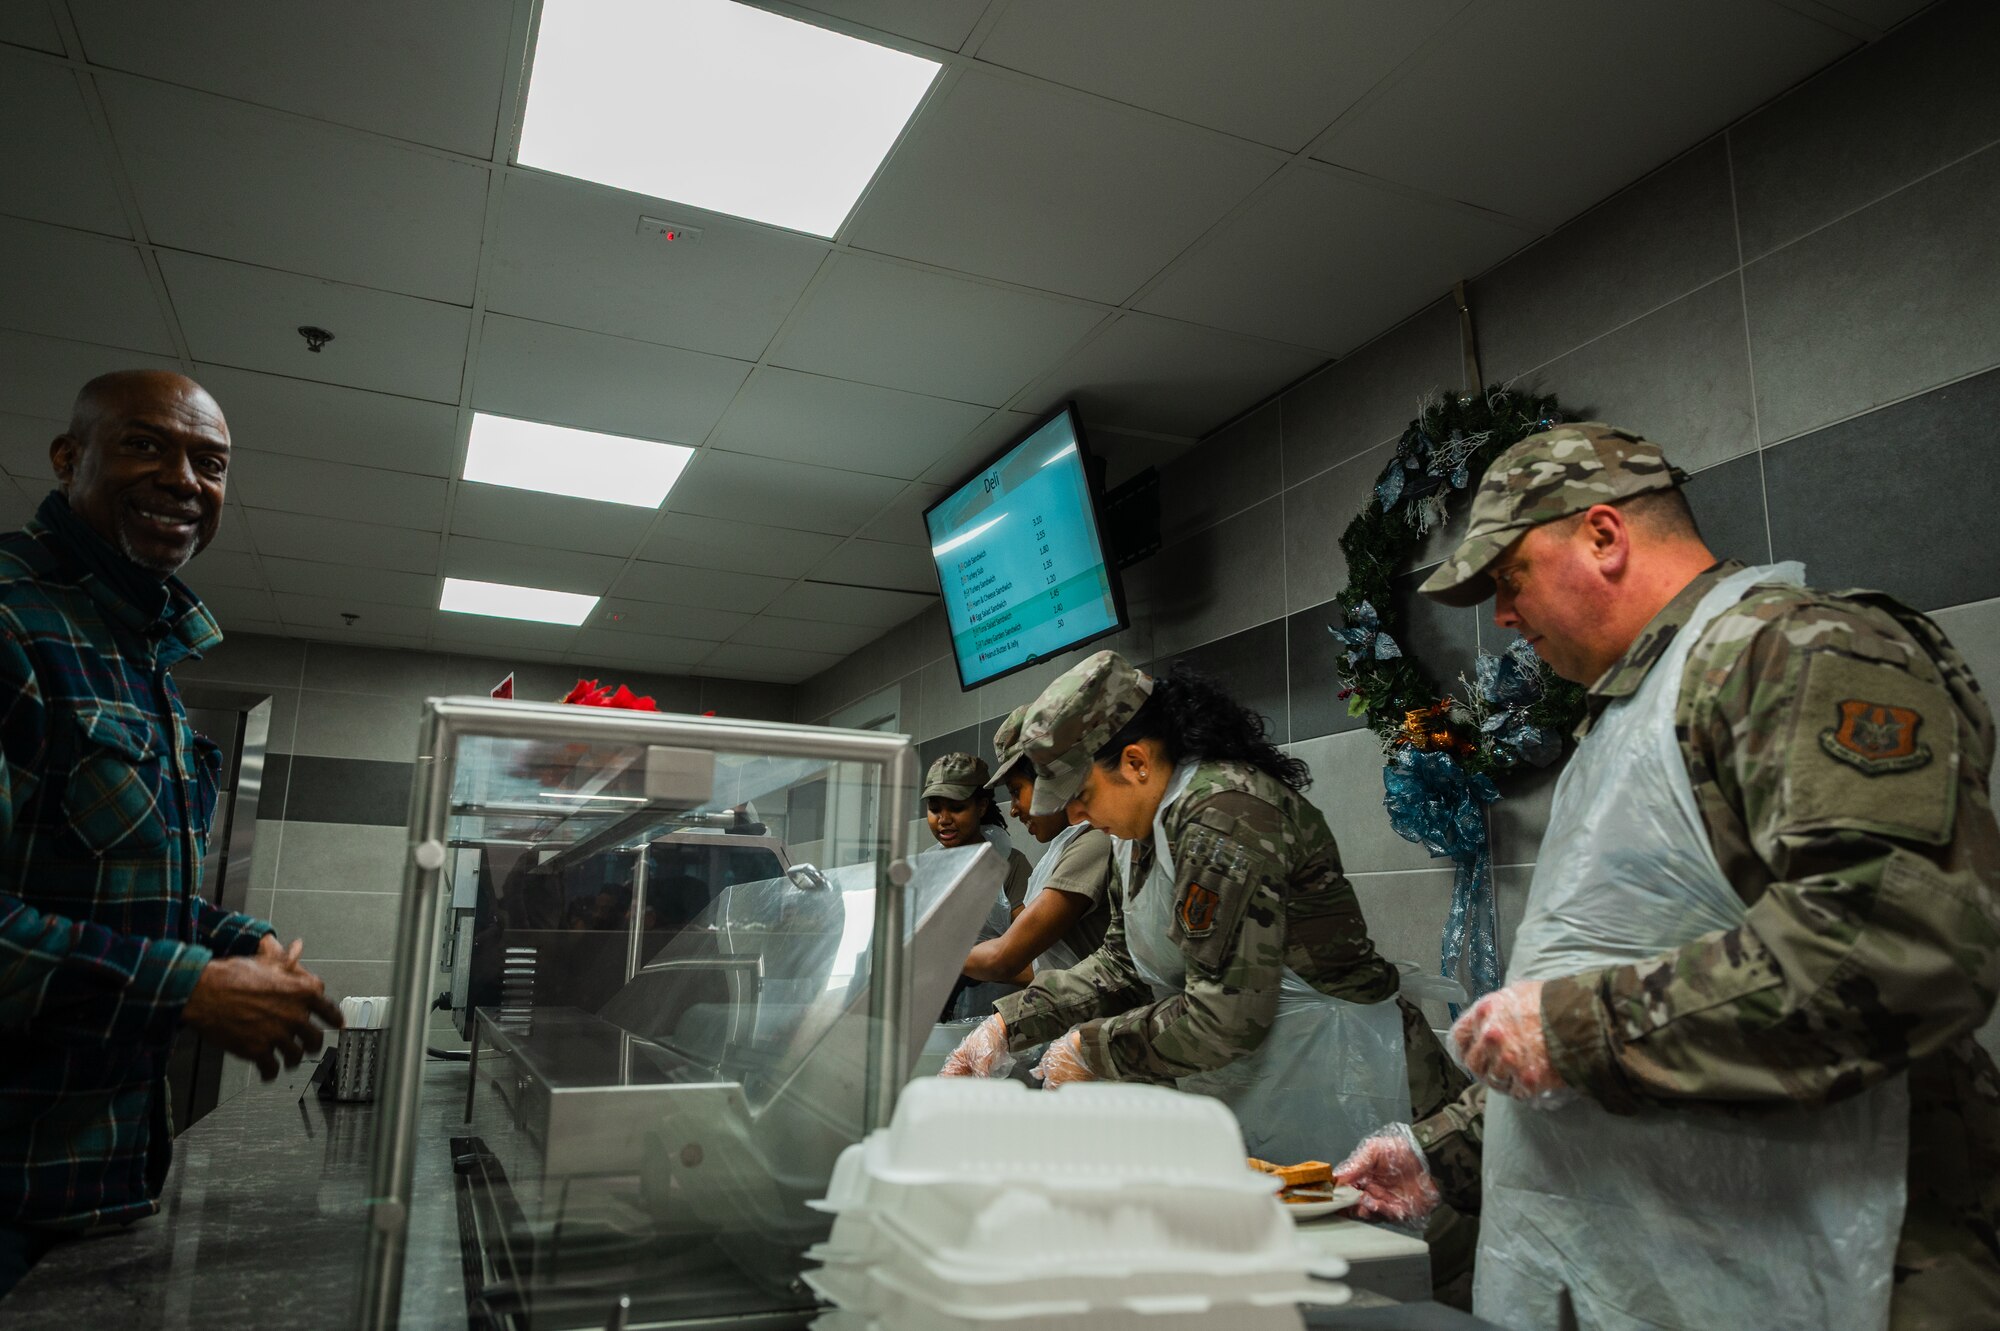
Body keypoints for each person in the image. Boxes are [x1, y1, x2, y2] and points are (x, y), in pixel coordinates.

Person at [1334, 423, 2000, 1330]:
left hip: (1866, 1261)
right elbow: (1615, 987)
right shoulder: (1621, 722)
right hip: (1687, 1261)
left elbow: (1900, 948)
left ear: (1604, 536)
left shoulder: (1792, 651)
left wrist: (1570, 1028)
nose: (1501, 615)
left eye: (1510, 577)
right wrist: (1443, 1152)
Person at [0, 371, 341, 1299]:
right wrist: (185, 985)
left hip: (93, 1178)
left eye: (211, 462)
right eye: (149, 445)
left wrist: (235, 941)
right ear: (71, 458)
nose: (185, 479)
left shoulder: (136, 648)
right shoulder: (10, 620)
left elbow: (97, 880)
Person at [939, 652, 1469, 1168]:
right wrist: (1010, 1025)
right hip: (1271, 1084)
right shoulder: (1135, 834)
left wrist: (1091, 1047)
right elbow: (1123, 964)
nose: (1074, 813)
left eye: (1080, 792)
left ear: (1136, 762)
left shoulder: (1224, 815)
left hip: (1360, 1081)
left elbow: (1227, 1015)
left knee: (1388, 1250)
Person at [956, 705, 1114, 986]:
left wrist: (943, 959)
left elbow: (1007, 957)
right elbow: (1041, 967)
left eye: (1017, 792)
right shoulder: (1065, 844)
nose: (1014, 810)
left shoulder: (1095, 841)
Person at [922, 751, 1032, 1020]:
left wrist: (967, 963)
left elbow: (1033, 961)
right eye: (935, 809)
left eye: (956, 808)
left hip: (993, 1011)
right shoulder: (927, 866)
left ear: (981, 807)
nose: (943, 819)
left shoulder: (1010, 865)